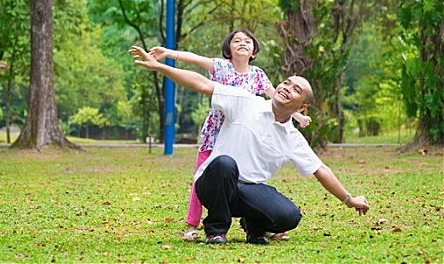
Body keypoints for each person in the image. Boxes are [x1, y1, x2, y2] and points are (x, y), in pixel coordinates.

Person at [128, 45, 370, 245]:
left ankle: (253, 225)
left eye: (296, 90)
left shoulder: (293, 138)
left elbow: (321, 170)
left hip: (246, 192)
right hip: (213, 182)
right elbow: (202, 84)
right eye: (286, 83)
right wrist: (160, 66)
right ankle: (216, 230)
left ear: (301, 108)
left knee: (289, 216)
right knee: (224, 164)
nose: (286, 88)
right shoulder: (246, 101)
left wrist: (349, 199)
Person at [149, 29, 311, 242]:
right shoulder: (221, 66)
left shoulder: (258, 74)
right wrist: (167, 53)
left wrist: (298, 118)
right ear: (229, 49)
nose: (243, 43)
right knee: (207, 176)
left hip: (244, 133)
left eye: (248, 41)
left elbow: (275, 97)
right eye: (237, 40)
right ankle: (192, 224)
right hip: (216, 132)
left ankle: (256, 221)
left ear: (254, 51)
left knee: (247, 178)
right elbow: (196, 60)